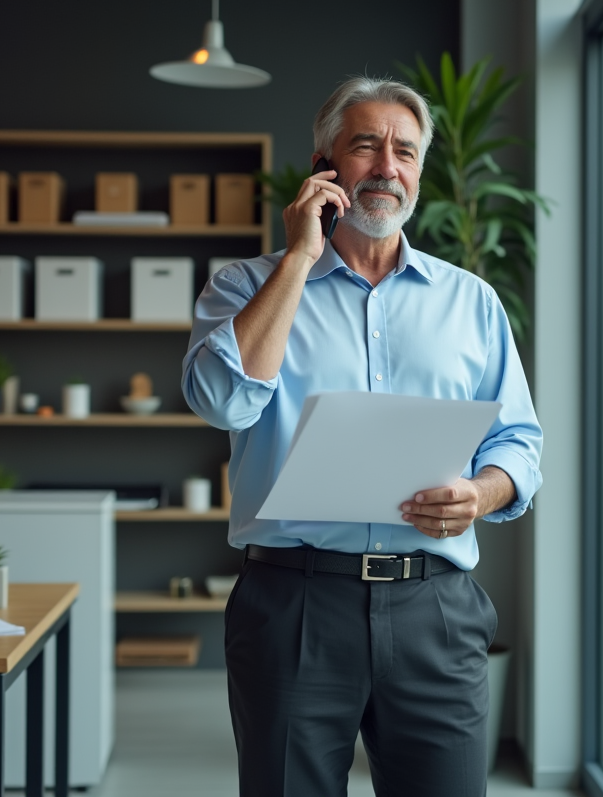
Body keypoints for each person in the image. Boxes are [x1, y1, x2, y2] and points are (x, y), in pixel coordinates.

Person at [181, 76, 543, 797]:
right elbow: (221, 400)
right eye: (366, 146)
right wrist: (297, 261)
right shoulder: (242, 287)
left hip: (434, 607)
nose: (386, 166)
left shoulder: (471, 302)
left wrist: (480, 492)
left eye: (404, 151)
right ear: (324, 164)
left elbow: (518, 445)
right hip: (294, 605)